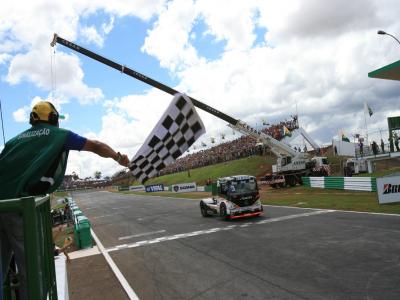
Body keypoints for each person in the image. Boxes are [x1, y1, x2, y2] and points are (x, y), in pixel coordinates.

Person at [0, 101, 129, 299]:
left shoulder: (13, 141)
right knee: (33, 272)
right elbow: (96, 146)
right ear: (53, 118)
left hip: (2, 205)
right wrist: (118, 158)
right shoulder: (58, 135)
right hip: (20, 210)